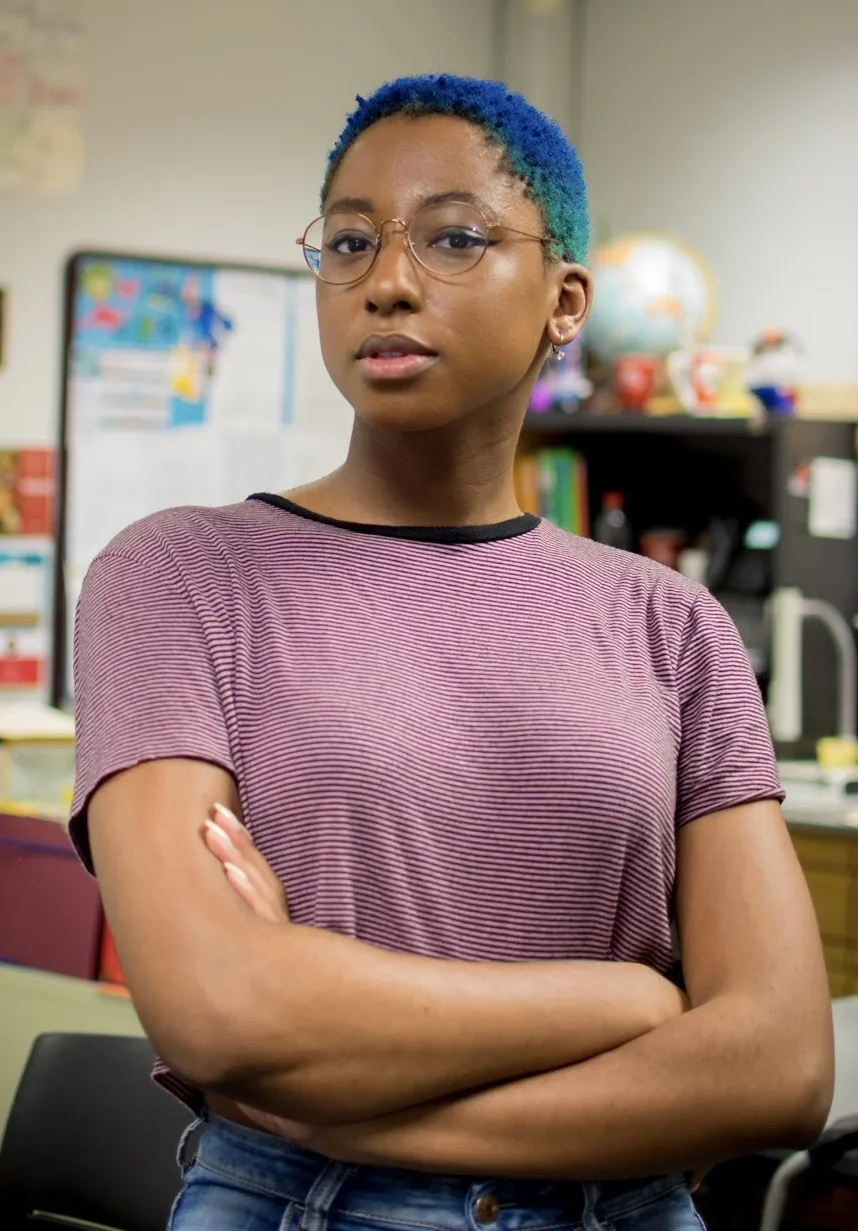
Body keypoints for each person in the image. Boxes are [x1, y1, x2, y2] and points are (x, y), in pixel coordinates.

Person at [70, 74, 833, 1231]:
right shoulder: (180, 575)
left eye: (455, 239)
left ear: (566, 298)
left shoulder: (671, 625)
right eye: (349, 240)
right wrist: (625, 996)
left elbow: (778, 1064)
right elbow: (220, 1008)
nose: (385, 281)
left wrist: (349, 1106)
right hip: (294, 1209)